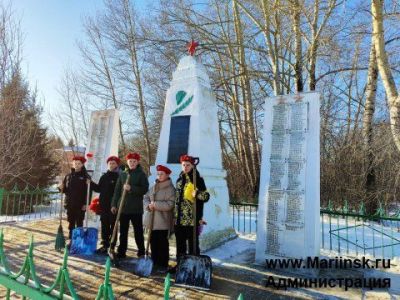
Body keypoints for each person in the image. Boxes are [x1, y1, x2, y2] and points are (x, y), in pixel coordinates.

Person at [111, 152, 149, 258]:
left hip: (136, 208)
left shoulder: (141, 174)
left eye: (134, 161)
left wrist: (131, 188)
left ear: (137, 162)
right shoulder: (123, 174)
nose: (132, 163)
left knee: (138, 231)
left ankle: (141, 251)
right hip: (123, 208)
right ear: (127, 162)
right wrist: (114, 204)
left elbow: (144, 189)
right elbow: (117, 191)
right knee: (123, 231)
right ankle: (121, 251)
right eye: (130, 161)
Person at [174, 155, 210, 262]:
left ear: (193, 165)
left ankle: (194, 264)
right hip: (179, 219)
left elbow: (206, 197)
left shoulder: (197, 179)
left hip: (192, 219)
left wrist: (198, 194)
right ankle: (181, 265)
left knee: (193, 245)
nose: (185, 167)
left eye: (188, 165)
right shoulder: (179, 180)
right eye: (183, 165)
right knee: (180, 245)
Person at [143, 165, 175, 272]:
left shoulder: (170, 189)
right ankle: (154, 262)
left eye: (162, 174)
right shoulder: (154, 186)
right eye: (158, 174)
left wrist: (155, 204)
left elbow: (170, 204)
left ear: (167, 175)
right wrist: (148, 205)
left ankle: (162, 264)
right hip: (152, 221)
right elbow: (146, 197)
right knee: (153, 243)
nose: (159, 176)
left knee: (162, 244)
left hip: (163, 222)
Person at [90, 156, 120, 254]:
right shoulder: (104, 176)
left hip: (113, 207)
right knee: (104, 225)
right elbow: (99, 188)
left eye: (113, 163)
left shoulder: (119, 176)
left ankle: (112, 246)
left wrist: (115, 205)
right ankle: (104, 245)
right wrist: (90, 183)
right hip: (103, 206)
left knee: (113, 226)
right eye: (110, 163)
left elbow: (119, 193)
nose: (111, 165)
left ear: (117, 165)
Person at [60, 156, 90, 248]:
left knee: (79, 222)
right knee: (71, 222)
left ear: (82, 165)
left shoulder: (86, 176)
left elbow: (88, 192)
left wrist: (86, 203)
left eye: (79, 163)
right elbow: (65, 190)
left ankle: (79, 240)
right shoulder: (68, 176)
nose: (76, 165)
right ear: (73, 164)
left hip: (80, 204)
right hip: (70, 204)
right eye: (75, 163)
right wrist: (60, 188)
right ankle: (71, 240)